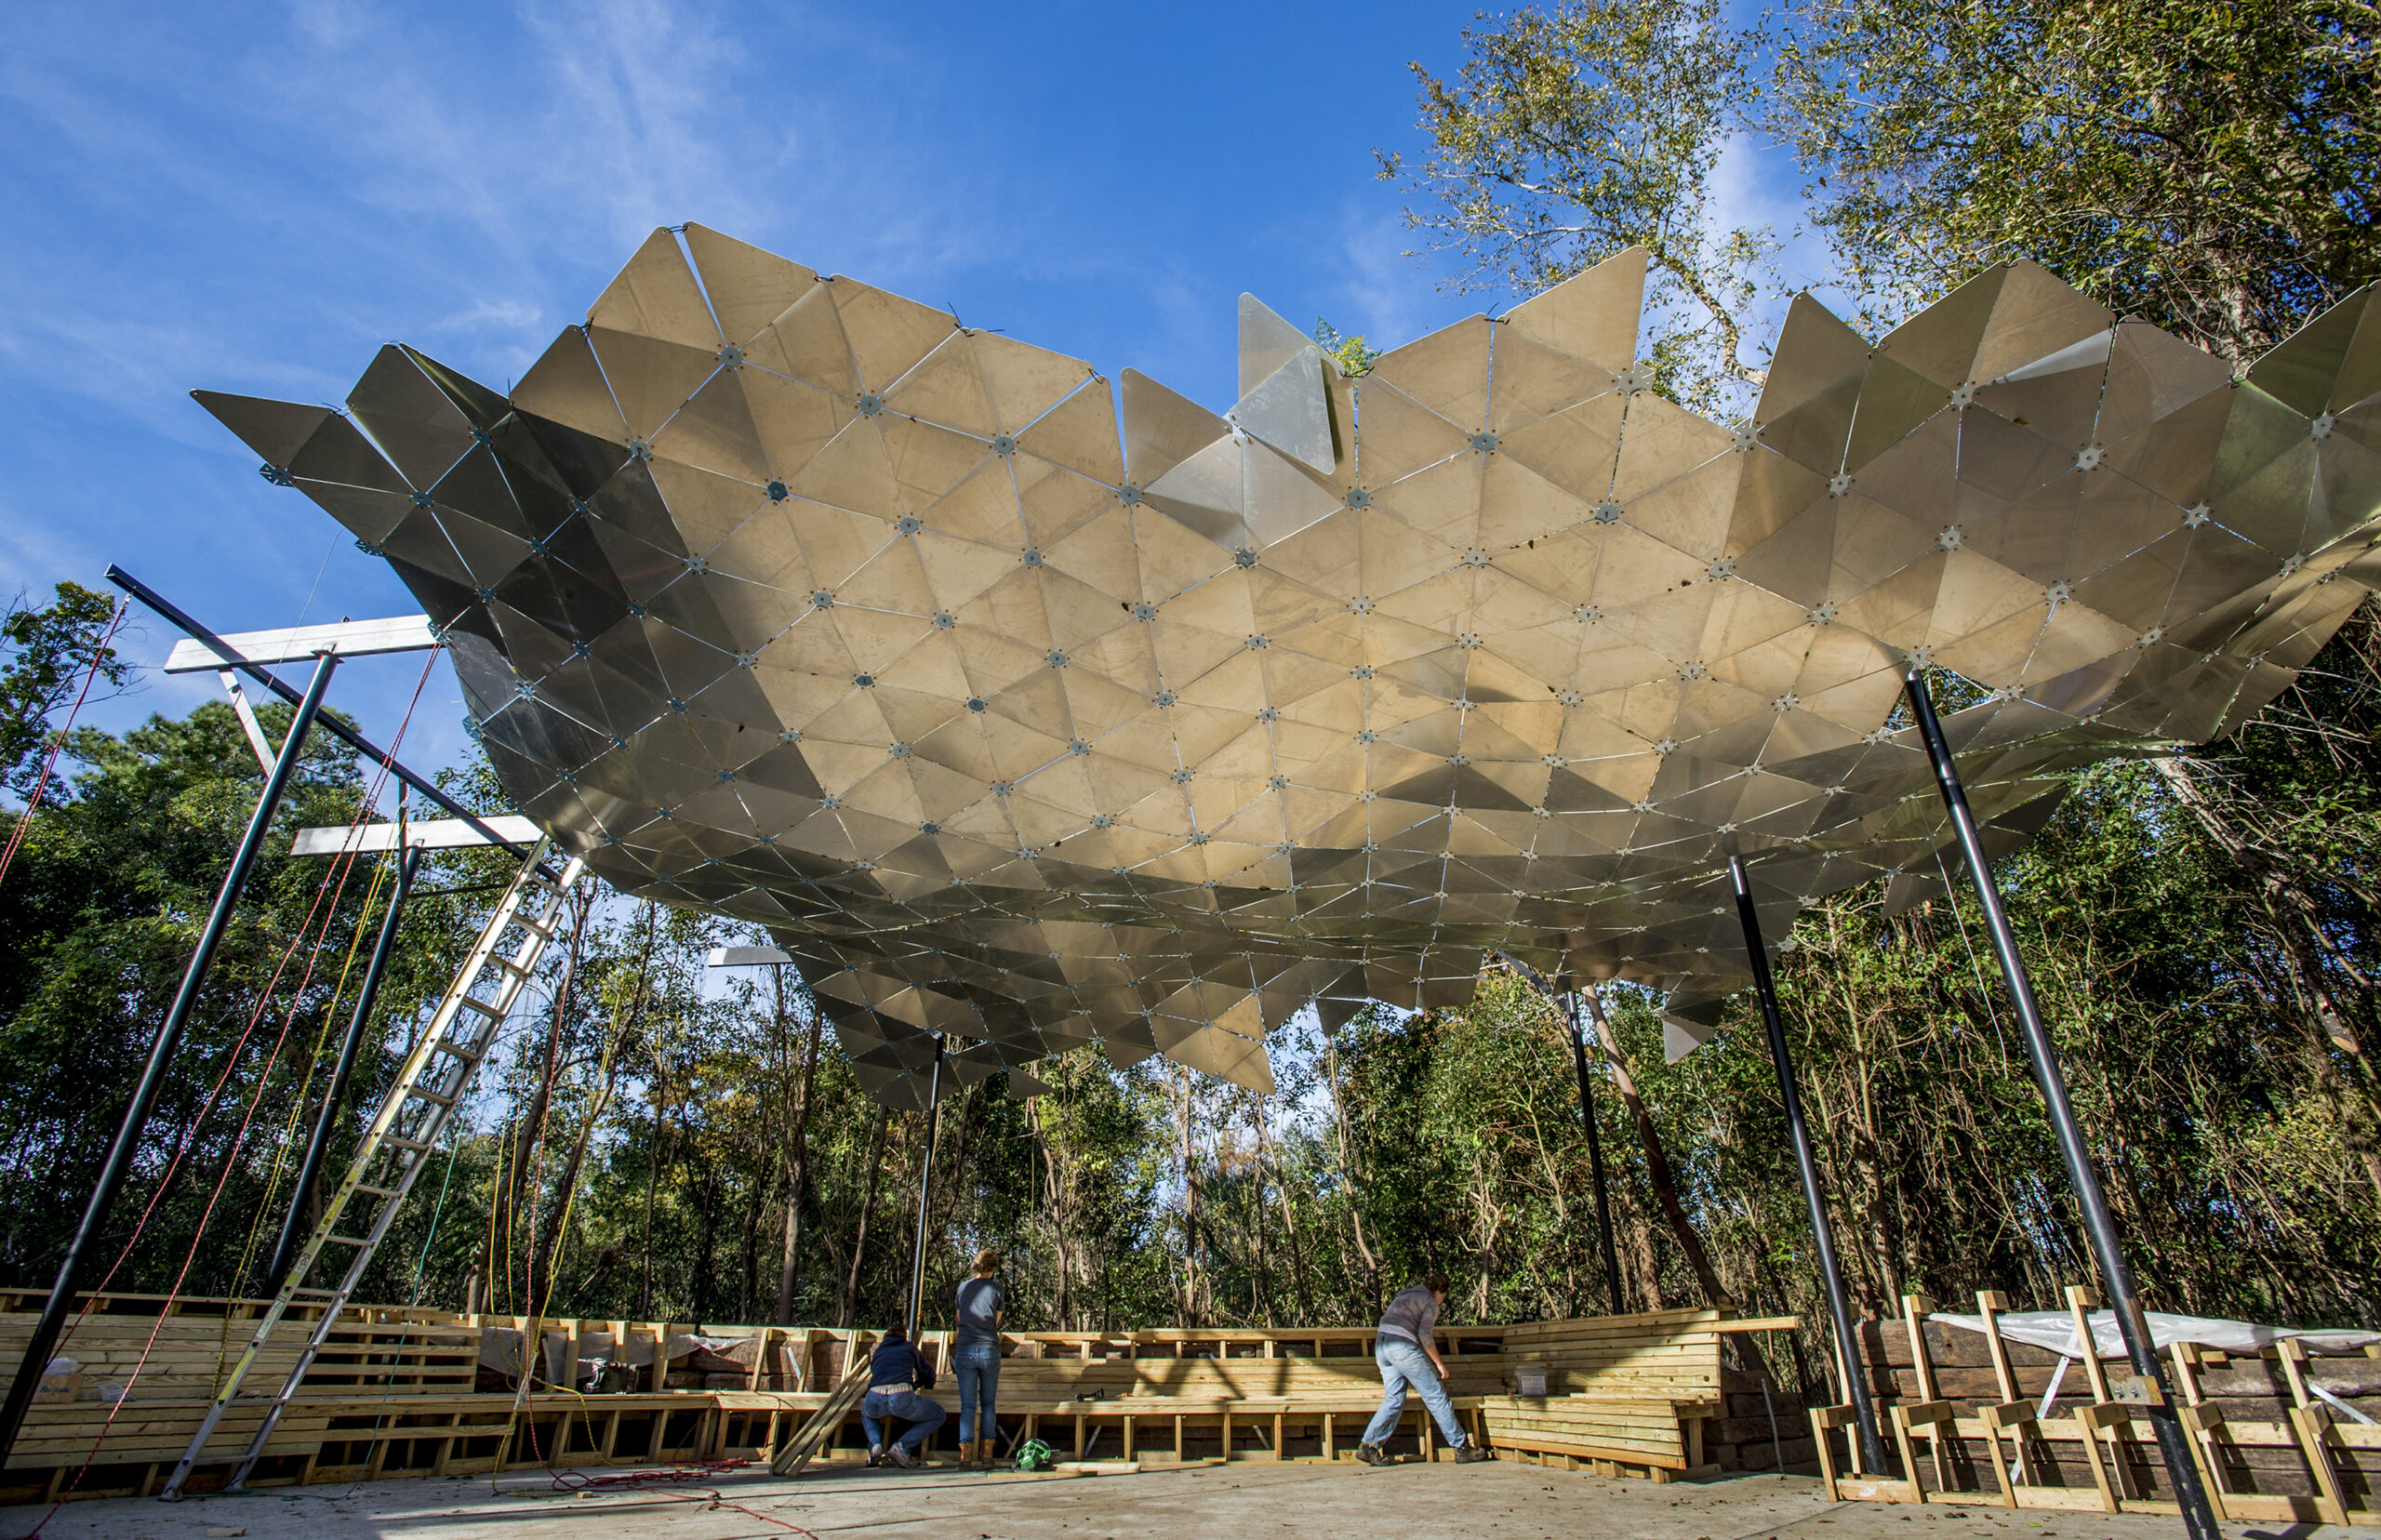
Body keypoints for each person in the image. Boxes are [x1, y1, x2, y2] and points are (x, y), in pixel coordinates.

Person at [1357, 1273, 1493, 1466]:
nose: (1442, 1301)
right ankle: (1461, 1448)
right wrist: (1439, 1363)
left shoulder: (1403, 1296)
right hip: (1402, 1346)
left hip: (1381, 1346)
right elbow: (1425, 1336)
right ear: (1438, 1291)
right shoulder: (1430, 1302)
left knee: (1394, 1399)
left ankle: (1368, 1446)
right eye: (1443, 1297)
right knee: (1436, 1396)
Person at [860, 1323, 946, 1467]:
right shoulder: (909, 1348)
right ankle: (902, 1447)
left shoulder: (879, 1351)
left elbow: (877, 1372)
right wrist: (927, 1385)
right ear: (904, 1336)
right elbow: (926, 1372)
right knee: (938, 1415)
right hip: (900, 1395)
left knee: (867, 1413)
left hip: (875, 1395)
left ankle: (875, 1445)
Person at [952, 1248, 1006, 1466]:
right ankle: (987, 1453)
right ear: (993, 1268)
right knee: (988, 1403)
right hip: (988, 1348)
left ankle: (965, 1454)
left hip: (965, 1348)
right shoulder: (997, 1289)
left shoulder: (963, 1288)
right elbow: (997, 1321)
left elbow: (958, 1317)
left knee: (967, 1405)